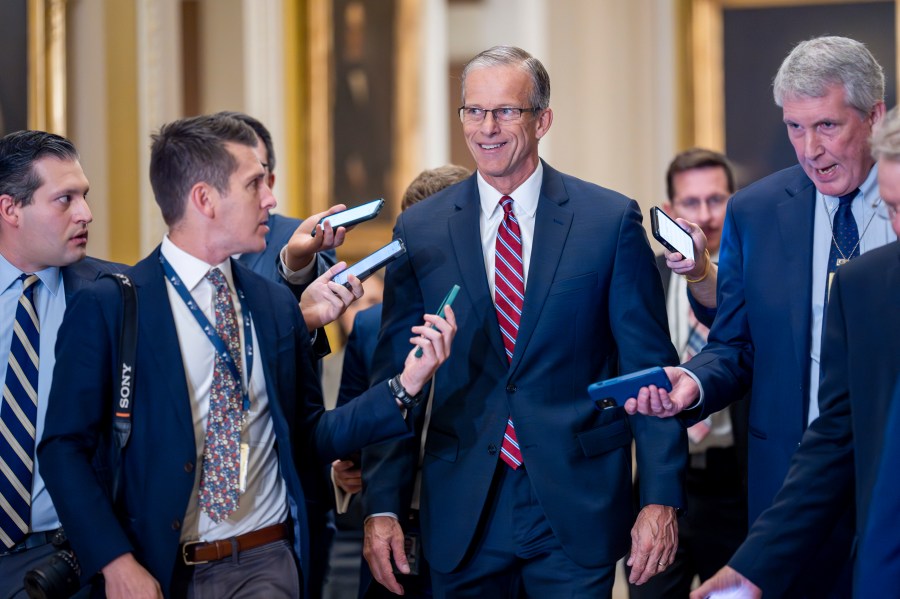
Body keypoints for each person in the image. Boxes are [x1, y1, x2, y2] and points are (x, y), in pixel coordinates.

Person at [37, 113, 456, 599]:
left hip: (269, 560)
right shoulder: (113, 303)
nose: (272, 199)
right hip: (163, 568)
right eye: (255, 183)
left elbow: (309, 433)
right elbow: (63, 448)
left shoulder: (273, 303)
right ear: (204, 199)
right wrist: (113, 561)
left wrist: (404, 386)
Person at [362, 46, 686, 598]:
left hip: (575, 506)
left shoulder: (607, 221)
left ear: (543, 119)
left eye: (507, 111)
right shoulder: (420, 229)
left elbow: (648, 368)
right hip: (464, 508)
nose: (487, 128)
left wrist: (659, 498)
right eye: (474, 111)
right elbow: (397, 377)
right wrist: (384, 504)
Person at [624, 36, 897, 596]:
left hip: (888, 476)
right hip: (791, 492)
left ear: (875, 115)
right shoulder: (757, 210)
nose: (809, 149)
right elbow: (737, 345)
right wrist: (693, 380)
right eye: (794, 128)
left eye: (826, 126)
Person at [690, 105, 900, 598]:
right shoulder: (866, 281)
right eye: (891, 208)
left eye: (827, 125)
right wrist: (756, 564)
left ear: (871, 116)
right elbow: (835, 433)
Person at [326, 164, 471, 599]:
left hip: (474, 527)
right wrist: (346, 470)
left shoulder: (500, 324)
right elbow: (351, 431)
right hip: (396, 530)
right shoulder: (370, 327)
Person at [0, 130, 122, 598]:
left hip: (71, 565)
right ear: (11, 209)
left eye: (84, 196)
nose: (85, 213)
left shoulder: (118, 294)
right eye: (64, 199)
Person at [628, 148, 748, 599]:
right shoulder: (645, 279)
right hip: (664, 476)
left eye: (715, 200)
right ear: (672, 209)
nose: (705, 215)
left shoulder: (756, 276)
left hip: (737, 481)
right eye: (691, 203)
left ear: (733, 200)